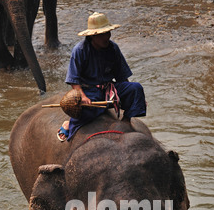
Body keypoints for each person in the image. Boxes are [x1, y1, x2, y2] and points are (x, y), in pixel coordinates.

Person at [57, 12, 147, 141]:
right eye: (102, 34)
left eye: (108, 33)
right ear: (93, 36)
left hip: (109, 89)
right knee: (88, 110)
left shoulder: (113, 48)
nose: (107, 37)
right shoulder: (80, 50)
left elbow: (122, 76)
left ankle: (126, 120)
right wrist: (83, 96)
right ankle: (69, 124)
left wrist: (132, 96)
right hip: (89, 90)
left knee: (136, 88)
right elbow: (73, 79)